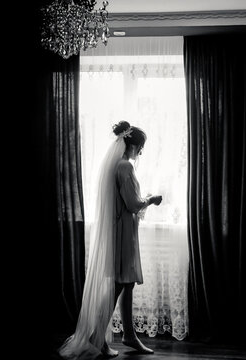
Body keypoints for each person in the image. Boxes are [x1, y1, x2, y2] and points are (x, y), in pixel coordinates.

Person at [58, 121, 162, 359]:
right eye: (141, 146)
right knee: (119, 284)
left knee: (126, 282)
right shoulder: (124, 166)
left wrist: (140, 200)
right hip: (123, 233)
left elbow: (126, 201)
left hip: (123, 230)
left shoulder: (117, 165)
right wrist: (151, 199)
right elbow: (133, 204)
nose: (142, 151)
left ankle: (128, 335)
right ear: (132, 144)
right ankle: (98, 338)